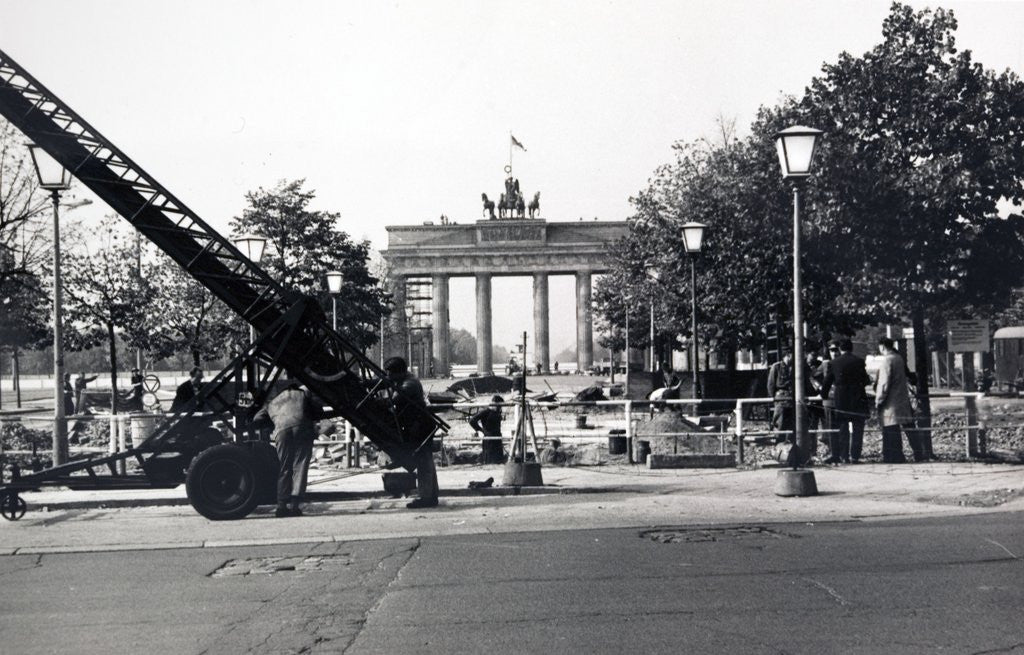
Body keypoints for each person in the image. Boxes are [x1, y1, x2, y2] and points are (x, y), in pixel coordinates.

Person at [253, 382, 320, 518]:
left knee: (284, 467)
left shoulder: (273, 401)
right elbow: (318, 410)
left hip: (281, 431)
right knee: (300, 466)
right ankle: (295, 506)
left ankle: (281, 506)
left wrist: (275, 422)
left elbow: (257, 419)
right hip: (302, 428)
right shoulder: (303, 394)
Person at [384, 356, 439, 509]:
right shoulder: (406, 380)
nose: (388, 377)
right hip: (420, 424)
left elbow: (393, 400)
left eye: (390, 373)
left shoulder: (409, 384)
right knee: (426, 461)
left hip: (420, 425)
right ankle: (431, 496)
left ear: (400, 372)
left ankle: (426, 498)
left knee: (423, 461)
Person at [874, 338, 925, 463]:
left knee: (891, 428)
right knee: (909, 427)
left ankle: (895, 456)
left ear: (882, 346)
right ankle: (919, 453)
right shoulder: (899, 358)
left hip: (890, 402)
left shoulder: (887, 360)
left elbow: (884, 383)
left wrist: (879, 399)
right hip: (902, 398)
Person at [821, 339, 871, 464]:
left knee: (843, 428)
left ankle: (844, 455)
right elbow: (865, 380)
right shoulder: (859, 361)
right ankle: (855, 456)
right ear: (852, 348)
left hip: (841, 399)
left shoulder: (834, 363)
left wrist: (823, 395)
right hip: (857, 398)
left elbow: (827, 382)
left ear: (840, 349)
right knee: (858, 429)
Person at [767, 349, 796, 441]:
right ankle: (779, 445)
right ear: (788, 355)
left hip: (792, 399)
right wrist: (773, 398)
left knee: (792, 424)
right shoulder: (776, 367)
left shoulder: (795, 367)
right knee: (780, 422)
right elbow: (771, 384)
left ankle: (790, 448)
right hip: (781, 399)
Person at [469, 395, 504, 464]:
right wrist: (481, 430)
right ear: (494, 404)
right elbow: (472, 421)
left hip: (497, 437)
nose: (500, 407)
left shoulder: (497, 412)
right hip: (489, 438)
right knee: (490, 459)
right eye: (498, 406)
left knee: (498, 460)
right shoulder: (485, 412)